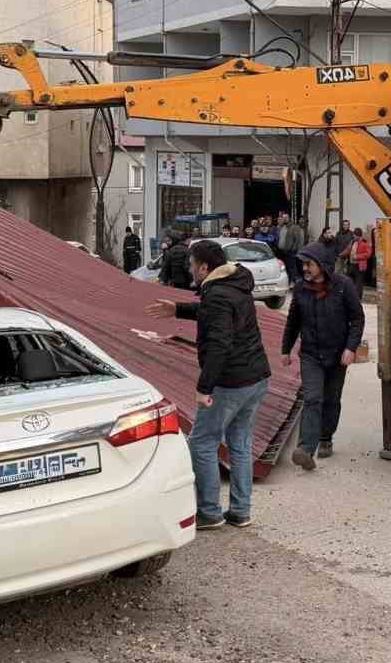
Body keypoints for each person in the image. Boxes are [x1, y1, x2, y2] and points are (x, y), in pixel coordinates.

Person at [146, 241, 270, 528]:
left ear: (204, 267)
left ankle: (209, 512)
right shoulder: (236, 282)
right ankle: (240, 511)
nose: (190, 269)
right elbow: (216, 313)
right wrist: (178, 309)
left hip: (230, 382)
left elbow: (219, 343)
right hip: (257, 376)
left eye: (192, 265)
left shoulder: (217, 295)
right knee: (240, 443)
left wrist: (204, 388)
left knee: (202, 443)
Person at [281, 242, 363, 469]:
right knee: (312, 398)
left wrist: (351, 348)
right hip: (310, 355)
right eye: (303, 264)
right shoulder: (300, 288)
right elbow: (293, 321)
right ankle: (306, 449)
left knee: (331, 399)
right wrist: (286, 349)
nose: (305, 268)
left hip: (337, 355)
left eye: (309, 264)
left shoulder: (343, 286)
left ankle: (326, 437)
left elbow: (357, 319)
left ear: (322, 265)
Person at [276, 212, 306, 288]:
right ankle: (287, 282)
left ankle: (293, 283)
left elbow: (297, 240)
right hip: (281, 251)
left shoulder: (294, 227)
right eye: (283, 218)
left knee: (292, 268)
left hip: (290, 252)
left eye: (286, 217)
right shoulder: (281, 227)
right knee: (284, 268)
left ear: (289, 218)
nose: (285, 219)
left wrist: (293, 249)